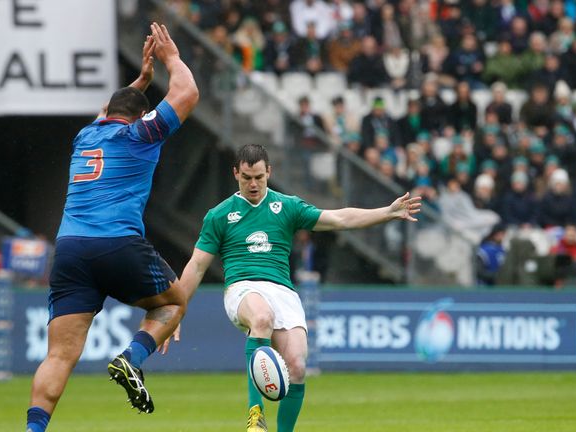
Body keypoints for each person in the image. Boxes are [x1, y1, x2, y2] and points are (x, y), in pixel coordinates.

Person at [25, 23, 199, 432]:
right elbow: (187, 93)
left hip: (69, 250)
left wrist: (140, 81)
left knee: (59, 357)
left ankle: (34, 429)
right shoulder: (139, 134)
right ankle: (132, 359)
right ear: (141, 116)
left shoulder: (84, 137)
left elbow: (109, 109)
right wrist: (170, 57)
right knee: (173, 302)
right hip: (116, 243)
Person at [177, 144, 421, 432]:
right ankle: (255, 417)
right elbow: (196, 266)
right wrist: (177, 309)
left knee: (297, 366)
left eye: (258, 176)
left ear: (269, 171)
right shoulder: (219, 215)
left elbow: (339, 218)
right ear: (235, 174)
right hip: (243, 288)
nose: (253, 184)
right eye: (246, 178)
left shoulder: (287, 206)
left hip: (282, 291)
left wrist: (387, 212)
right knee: (262, 318)